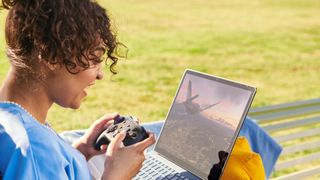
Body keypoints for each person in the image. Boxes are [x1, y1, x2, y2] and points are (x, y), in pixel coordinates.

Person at [0, 0, 155, 179]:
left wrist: (80, 152)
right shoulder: (33, 148)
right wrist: (116, 176)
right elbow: (37, 161)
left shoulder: (15, 121)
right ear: (52, 56)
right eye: (95, 59)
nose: (100, 75)